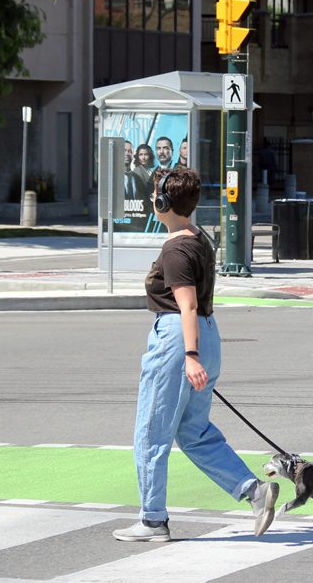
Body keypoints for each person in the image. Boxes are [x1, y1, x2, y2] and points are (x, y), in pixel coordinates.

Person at [113, 166, 279, 543]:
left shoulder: (175, 248)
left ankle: (152, 521)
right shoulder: (199, 238)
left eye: (156, 194)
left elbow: (184, 306)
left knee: (151, 434)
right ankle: (256, 492)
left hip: (178, 337)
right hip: (207, 333)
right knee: (194, 431)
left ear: (162, 202)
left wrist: (189, 356)